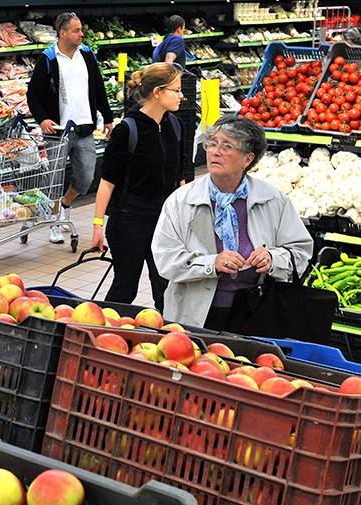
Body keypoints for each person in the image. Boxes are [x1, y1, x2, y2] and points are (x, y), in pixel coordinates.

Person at [151, 115, 313, 330]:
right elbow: (165, 258)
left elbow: (300, 251)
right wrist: (212, 263)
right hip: (194, 313)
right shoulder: (182, 201)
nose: (215, 152)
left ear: (248, 159)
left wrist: (273, 259)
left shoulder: (273, 199)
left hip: (256, 310)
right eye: (212, 144)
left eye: (227, 146)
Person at [89, 63, 186, 313]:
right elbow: (107, 181)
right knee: (125, 287)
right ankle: (104, 336)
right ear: (157, 92)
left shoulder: (176, 126)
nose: (181, 95)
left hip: (164, 223)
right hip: (129, 222)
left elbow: (180, 177)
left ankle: (169, 340)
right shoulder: (127, 130)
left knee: (165, 289)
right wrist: (98, 226)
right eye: (175, 90)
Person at [27, 11, 114, 244]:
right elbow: (33, 95)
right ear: (62, 33)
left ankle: (65, 204)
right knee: (54, 179)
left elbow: (98, 88)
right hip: (57, 131)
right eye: (76, 30)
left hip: (84, 127)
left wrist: (107, 118)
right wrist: (43, 118)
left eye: (81, 30)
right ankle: (53, 221)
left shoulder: (87, 55)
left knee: (85, 178)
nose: (81, 34)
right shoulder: (48, 59)